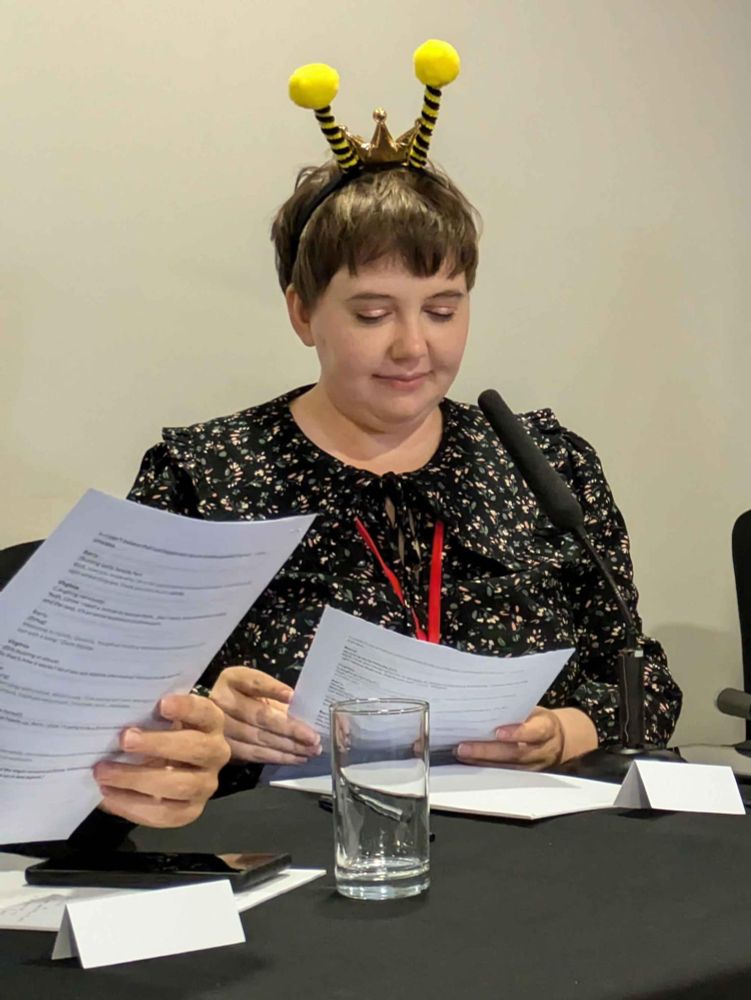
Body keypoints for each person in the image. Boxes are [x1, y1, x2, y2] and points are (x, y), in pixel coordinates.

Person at [124, 41, 682, 797]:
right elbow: (111, 715)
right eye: (372, 313)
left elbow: (641, 681)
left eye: (443, 310)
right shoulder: (205, 476)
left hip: (532, 838)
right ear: (302, 313)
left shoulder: (545, 465)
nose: (413, 346)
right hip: (290, 840)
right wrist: (206, 716)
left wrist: (564, 732)